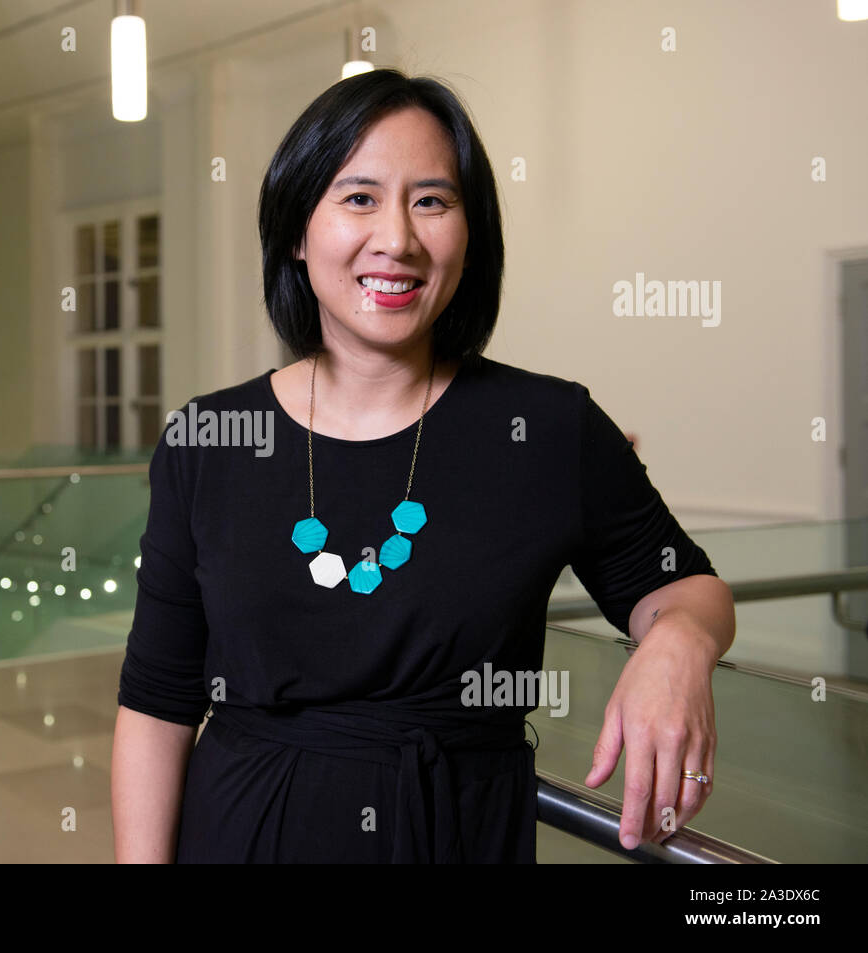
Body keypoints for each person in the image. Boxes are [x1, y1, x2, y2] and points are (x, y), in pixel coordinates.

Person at [110, 68, 736, 863]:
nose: (398, 239)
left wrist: (678, 642)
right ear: (298, 233)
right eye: (359, 197)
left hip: (456, 833)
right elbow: (158, 703)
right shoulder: (209, 439)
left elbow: (688, 586)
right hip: (243, 832)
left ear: (470, 237)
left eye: (432, 200)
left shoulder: (545, 428)